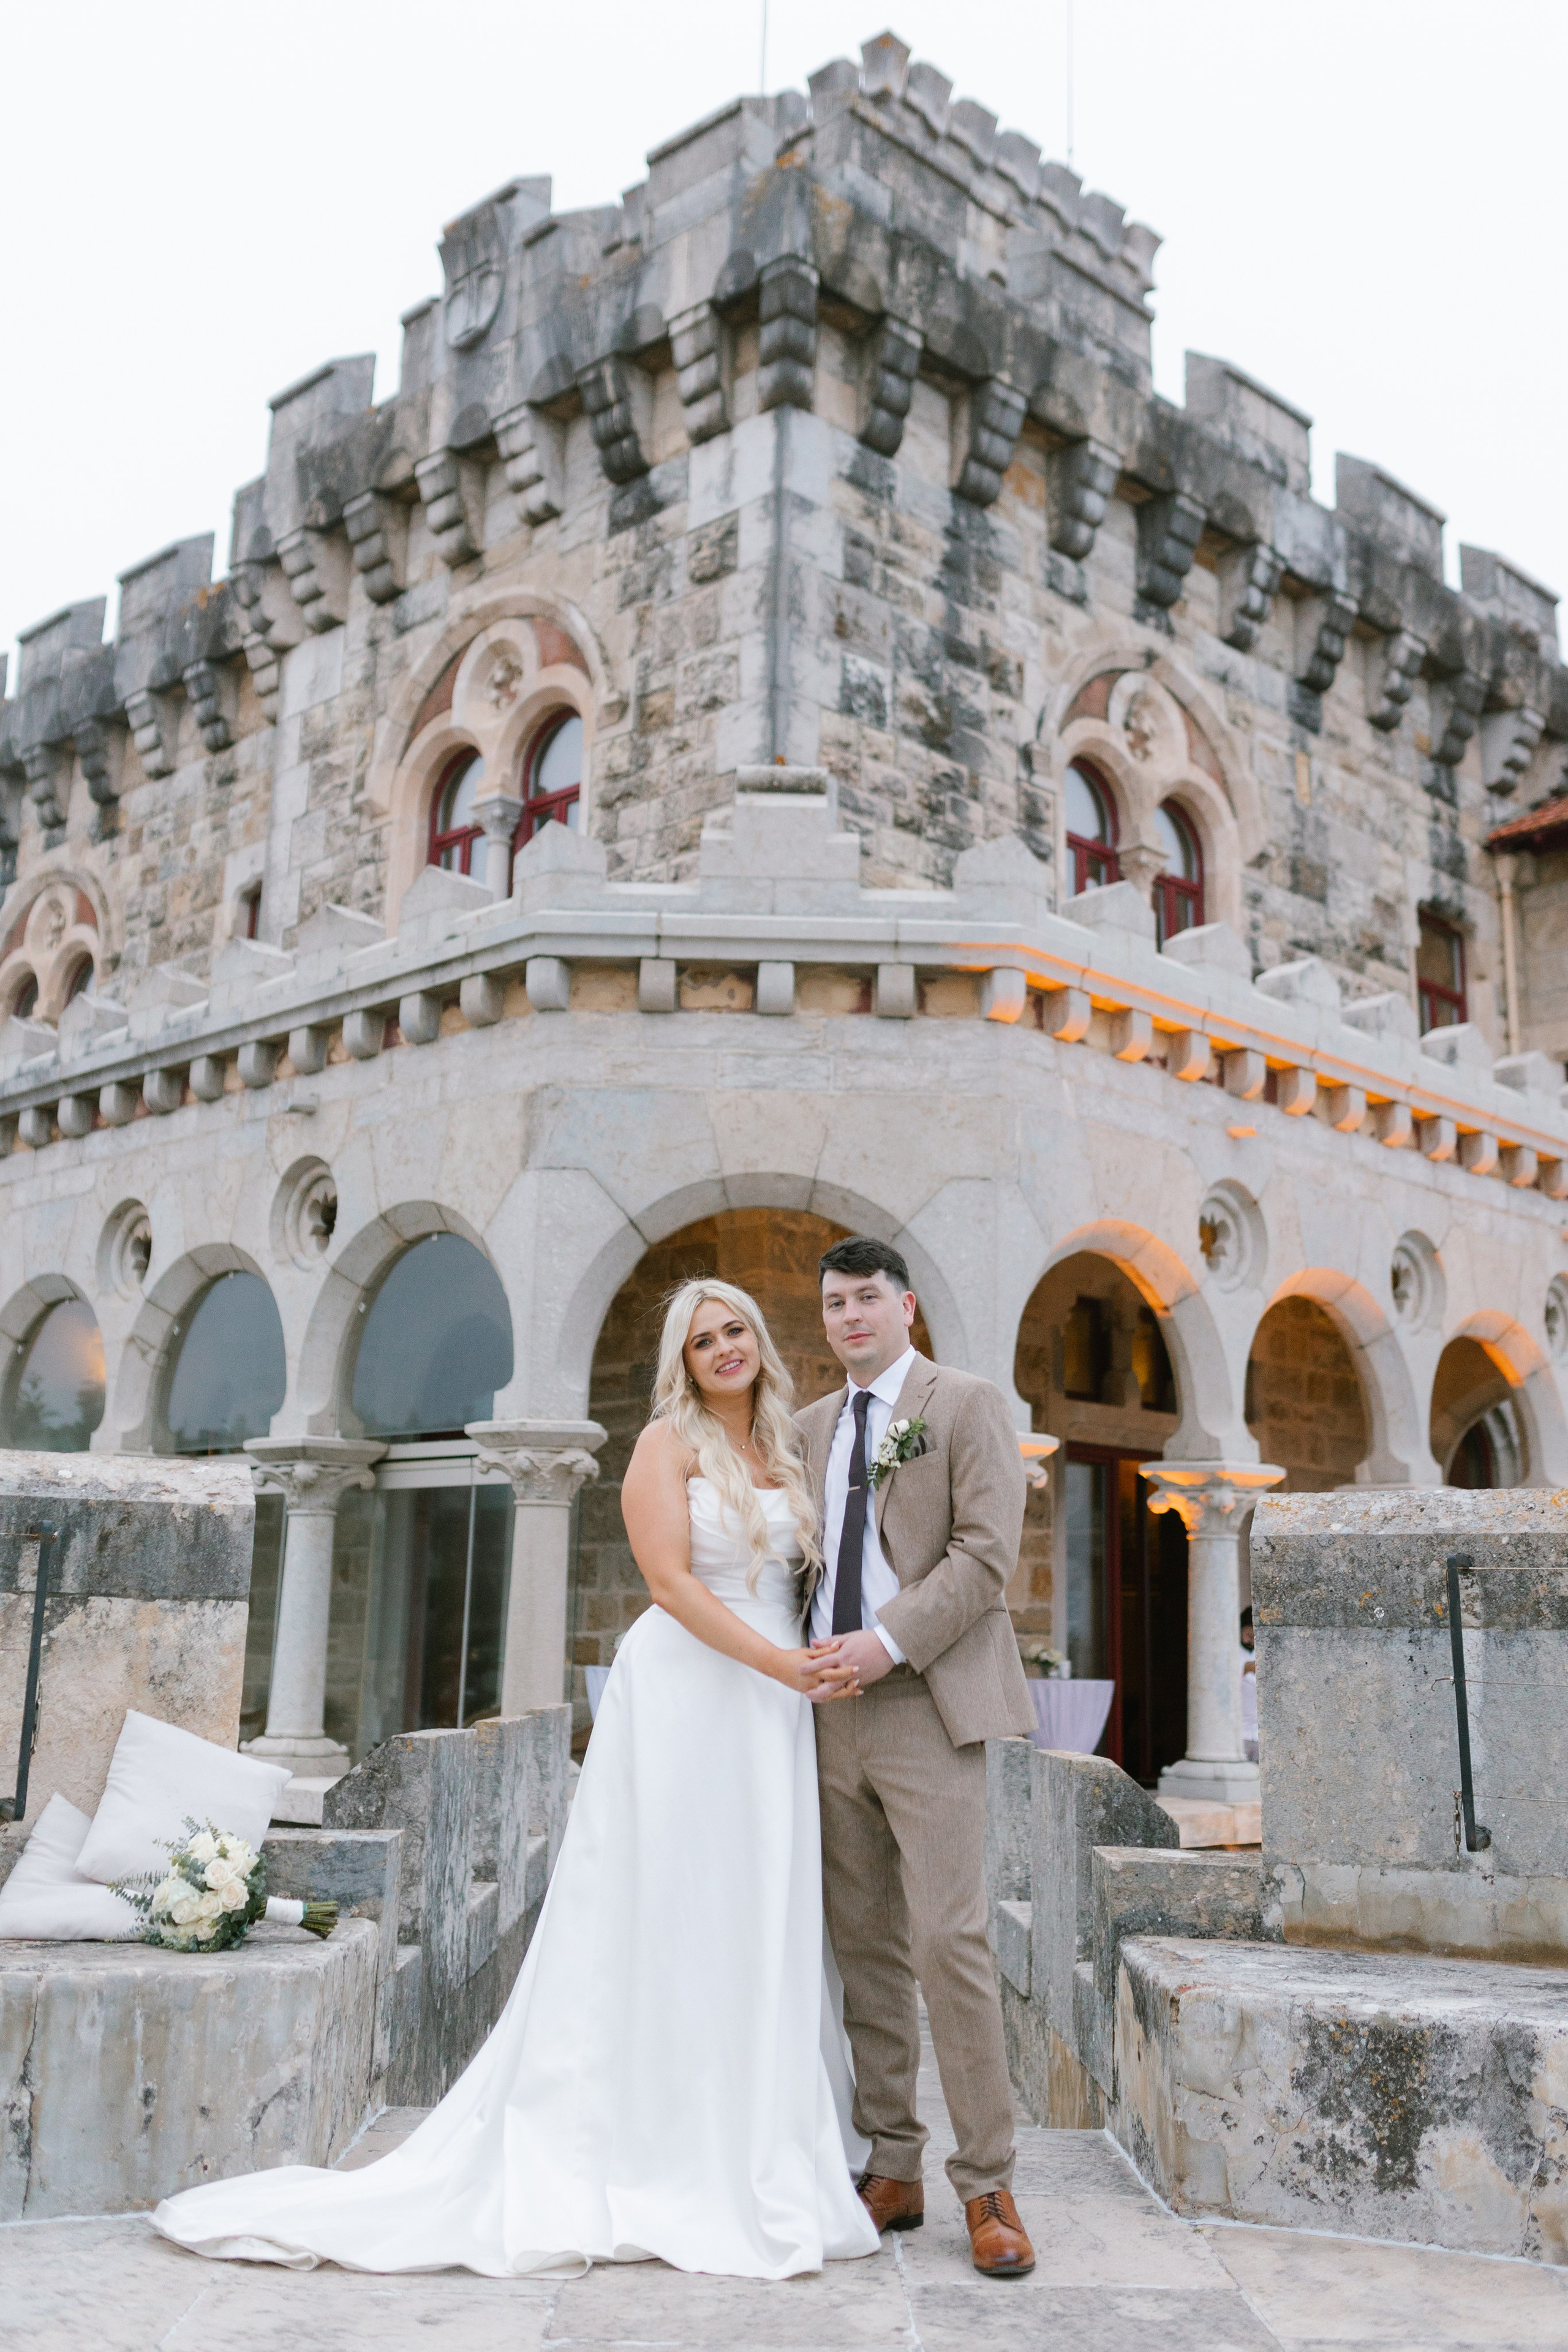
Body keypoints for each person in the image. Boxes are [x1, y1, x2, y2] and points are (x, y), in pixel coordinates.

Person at [153, 1278, 879, 2280]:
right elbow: (668, 1585)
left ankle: (756, 2122)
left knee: (759, 1904)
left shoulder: (789, 1446)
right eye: (703, 1337)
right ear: (683, 1358)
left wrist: (811, 1665)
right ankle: (660, 2139)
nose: (723, 1348)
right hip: (693, 1694)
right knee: (668, 1904)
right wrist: (778, 1667)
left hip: (774, 1707)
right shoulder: (664, 1446)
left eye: (737, 1330)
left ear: (759, 1340)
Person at [799, 1237, 1039, 2278]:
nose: (850, 1317)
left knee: (952, 1943)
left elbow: (986, 1557)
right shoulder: (808, 1427)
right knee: (866, 1949)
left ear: (906, 1307)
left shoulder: (966, 1404)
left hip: (925, 1703)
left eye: (866, 1299)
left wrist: (885, 1638)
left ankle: (988, 2184)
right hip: (826, 1715)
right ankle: (891, 2163)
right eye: (833, 1305)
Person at [1240, 1604, 1258, 1763]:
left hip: (1258, 1734)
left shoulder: (1260, 1651)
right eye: (1247, 1635)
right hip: (1240, 1733)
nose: (1249, 1640)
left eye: (1253, 1636)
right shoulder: (1234, 1653)